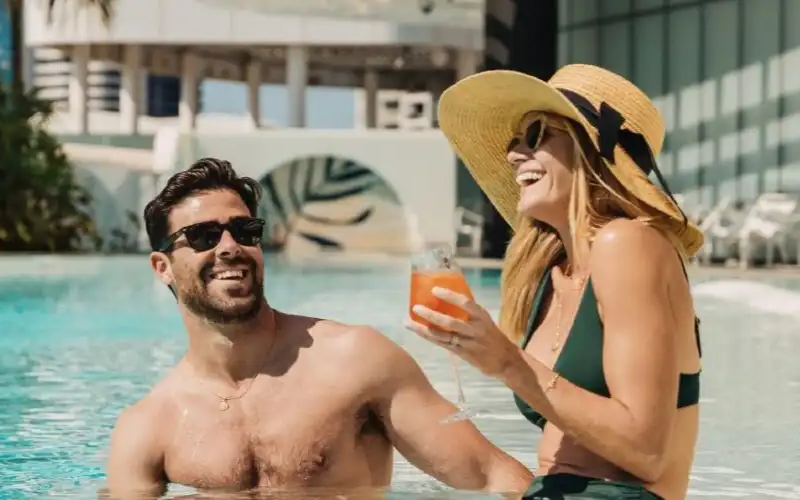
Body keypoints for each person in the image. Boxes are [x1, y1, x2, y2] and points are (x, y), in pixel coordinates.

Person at [103, 157, 533, 499]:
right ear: (163, 267)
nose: (230, 248)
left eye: (244, 230)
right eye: (203, 237)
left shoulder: (353, 361)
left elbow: (491, 474)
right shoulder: (148, 426)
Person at [407, 64, 704, 500]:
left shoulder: (628, 242)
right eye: (514, 142)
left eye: (538, 135)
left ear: (590, 151)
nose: (513, 156)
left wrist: (508, 362)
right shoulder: (551, 273)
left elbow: (645, 452)